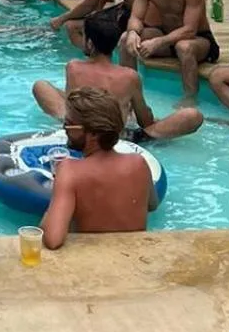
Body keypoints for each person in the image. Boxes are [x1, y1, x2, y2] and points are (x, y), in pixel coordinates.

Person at [33, 10, 203, 143]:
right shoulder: (129, 76)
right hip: (116, 136)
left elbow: (71, 102)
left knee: (40, 86)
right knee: (193, 116)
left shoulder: (73, 67)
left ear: (90, 44)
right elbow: (145, 121)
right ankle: (144, 139)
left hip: (79, 129)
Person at [42, 85, 153, 249]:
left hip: (95, 263)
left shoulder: (70, 170)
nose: (64, 129)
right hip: (136, 258)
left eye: (68, 124)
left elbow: (53, 239)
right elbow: (152, 205)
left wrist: (58, 194)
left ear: (94, 133)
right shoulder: (139, 163)